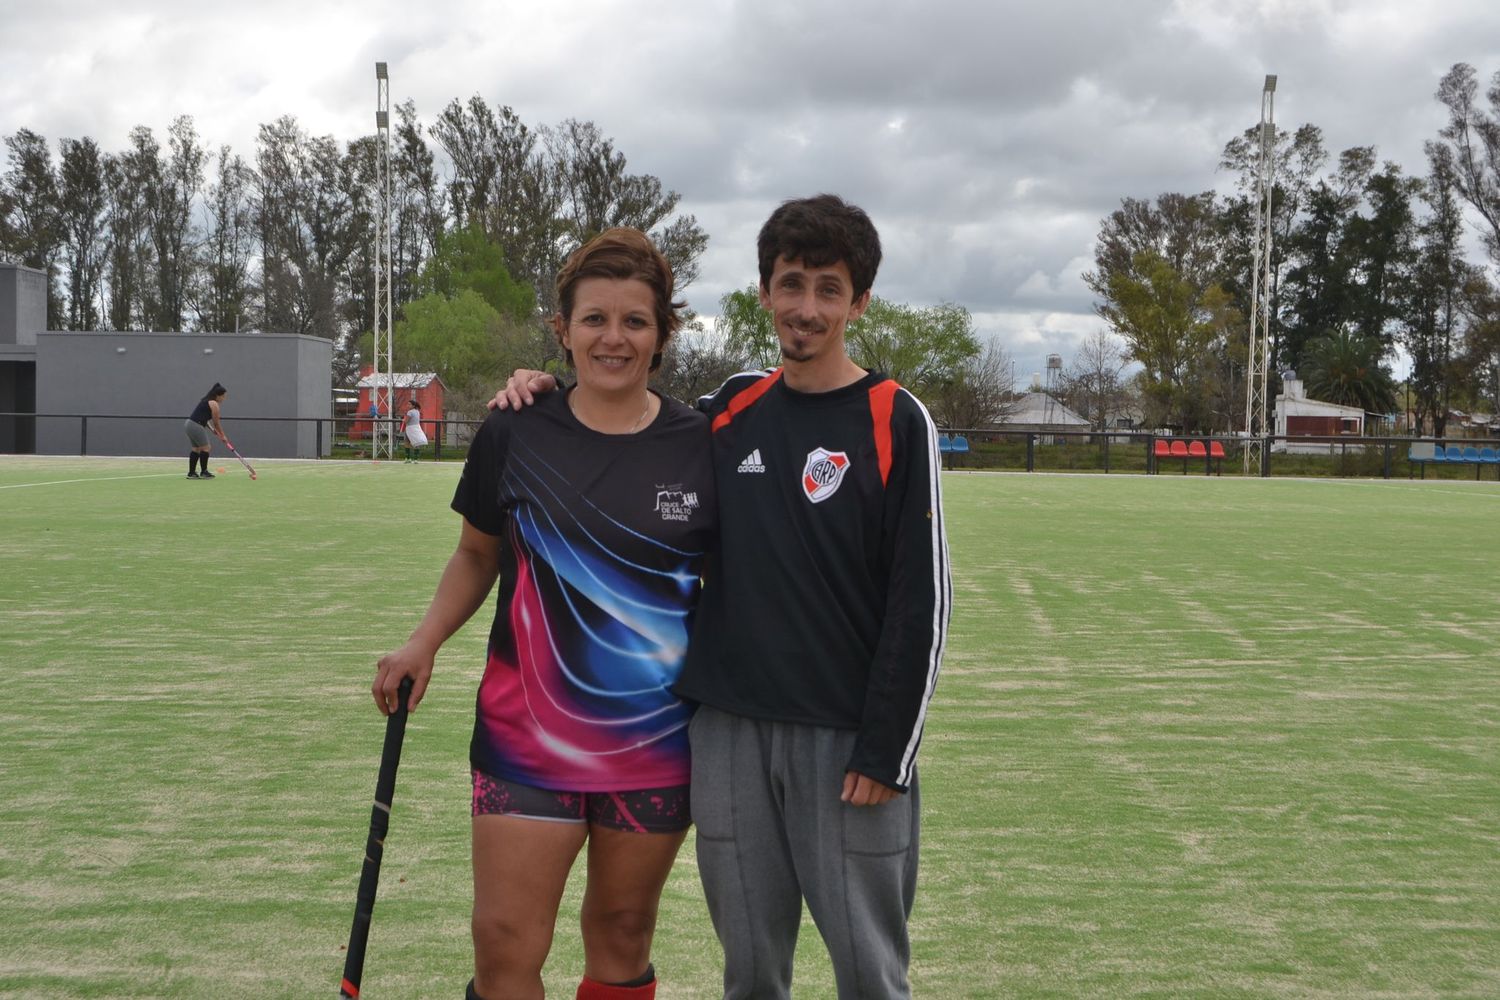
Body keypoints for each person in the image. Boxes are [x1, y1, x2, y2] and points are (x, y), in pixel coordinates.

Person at [494, 194, 951, 999]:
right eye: (791, 284)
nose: (807, 309)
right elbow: (627, 418)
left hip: (847, 745)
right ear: (766, 290)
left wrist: (890, 750)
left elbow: (924, 600)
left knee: (870, 972)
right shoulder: (732, 407)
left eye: (829, 290)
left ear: (860, 302)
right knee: (750, 970)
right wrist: (541, 382)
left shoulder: (893, 418)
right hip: (727, 735)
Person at [372, 227, 716, 1000]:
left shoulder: (704, 444)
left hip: (655, 740)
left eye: (635, 321)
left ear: (662, 336)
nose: (614, 338)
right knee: (504, 944)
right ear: (562, 331)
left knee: (623, 934)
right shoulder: (513, 430)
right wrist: (423, 642)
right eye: (594, 319)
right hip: (524, 736)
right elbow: (475, 554)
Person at [183, 382, 228, 479]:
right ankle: (204, 472)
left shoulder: (206, 401)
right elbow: (216, 423)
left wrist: (212, 430)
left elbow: (204, 419)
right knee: (206, 447)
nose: (224, 398)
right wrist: (223, 436)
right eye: (223, 396)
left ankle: (192, 473)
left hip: (189, 424)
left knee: (196, 449)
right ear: (218, 396)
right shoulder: (214, 404)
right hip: (195, 425)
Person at [402, 398, 428, 462]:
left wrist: (403, 419)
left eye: (409, 404)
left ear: (413, 405)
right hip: (417, 427)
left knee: (407, 442)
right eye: (407, 404)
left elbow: (406, 421)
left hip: (410, 429)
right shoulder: (417, 411)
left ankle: (407, 458)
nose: (408, 405)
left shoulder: (410, 412)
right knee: (416, 442)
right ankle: (416, 459)